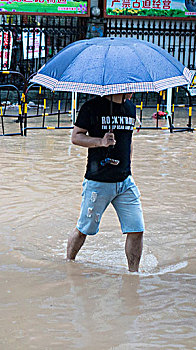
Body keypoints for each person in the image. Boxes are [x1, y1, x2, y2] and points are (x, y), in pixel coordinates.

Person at [67, 93, 144, 272]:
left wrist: (128, 168)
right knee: (84, 229)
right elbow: (76, 136)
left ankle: (134, 274)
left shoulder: (130, 108)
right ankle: (69, 264)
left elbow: (128, 140)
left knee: (137, 229)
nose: (132, 89)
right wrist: (100, 142)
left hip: (125, 182)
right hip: (98, 181)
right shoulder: (91, 107)